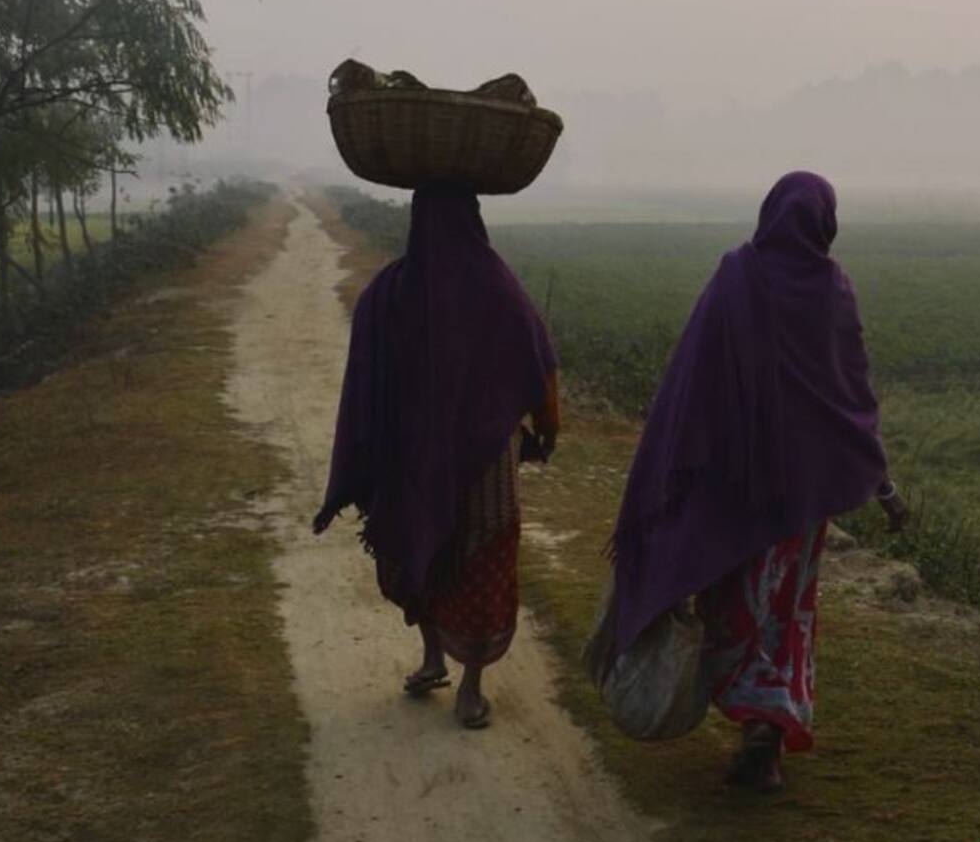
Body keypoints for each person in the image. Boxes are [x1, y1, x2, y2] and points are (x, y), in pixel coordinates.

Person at [604, 171, 906, 790]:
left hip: (734, 492)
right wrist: (881, 483)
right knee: (785, 609)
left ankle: (756, 727)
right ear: (826, 223)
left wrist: (672, 469)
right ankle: (766, 728)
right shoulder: (832, 291)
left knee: (734, 603)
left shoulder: (736, 276)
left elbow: (692, 381)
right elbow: (850, 399)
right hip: (801, 501)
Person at [313, 181, 560, 729]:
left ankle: (444, 665)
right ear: (474, 218)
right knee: (477, 560)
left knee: (423, 547)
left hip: (419, 461)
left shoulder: (392, 289)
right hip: (481, 466)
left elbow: (364, 383)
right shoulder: (494, 286)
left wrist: (366, 454)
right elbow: (540, 362)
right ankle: (463, 683)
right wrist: (548, 427)